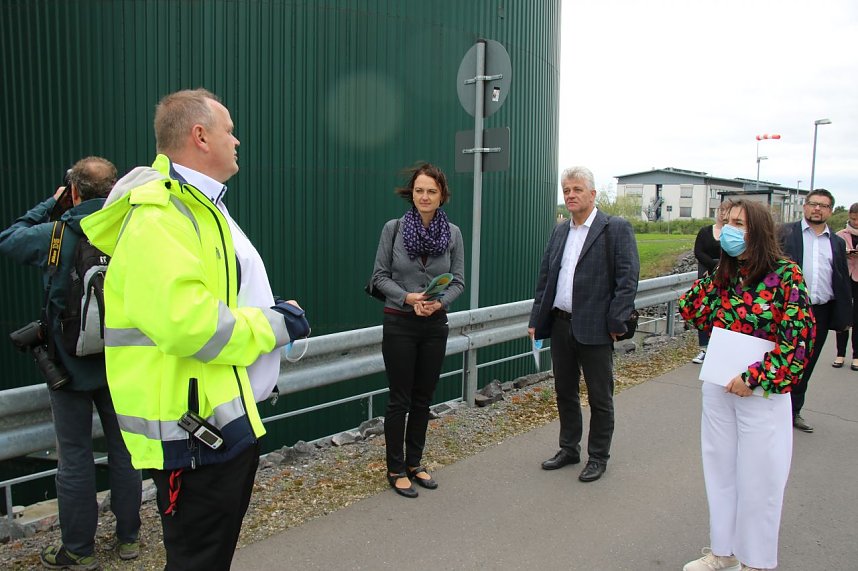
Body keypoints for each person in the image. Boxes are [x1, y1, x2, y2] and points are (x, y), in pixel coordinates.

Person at [80, 89, 305, 570]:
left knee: (209, 558)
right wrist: (278, 324)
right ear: (200, 136)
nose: (238, 140)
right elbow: (191, 327)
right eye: (229, 129)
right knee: (197, 561)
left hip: (219, 422)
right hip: (194, 436)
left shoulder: (201, 206)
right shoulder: (160, 215)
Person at [0, 157, 142, 570]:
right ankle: (129, 539)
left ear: (74, 191)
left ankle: (78, 550)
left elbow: (9, 238)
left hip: (67, 368)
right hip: (121, 360)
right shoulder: (129, 230)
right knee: (125, 450)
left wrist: (50, 204)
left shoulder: (56, 234)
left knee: (76, 456)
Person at [679, 199, 815, 571]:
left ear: (758, 230)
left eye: (739, 223)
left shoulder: (786, 275)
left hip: (761, 391)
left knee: (760, 480)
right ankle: (723, 551)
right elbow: (690, 310)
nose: (730, 229)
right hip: (719, 385)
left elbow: (798, 341)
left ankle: (756, 561)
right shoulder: (726, 274)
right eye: (726, 222)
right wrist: (717, 272)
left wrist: (754, 378)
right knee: (720, 470)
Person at [528, 166, 639, 483]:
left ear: (592, 194)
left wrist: (617, 320)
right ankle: (569, 448)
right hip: (562, 324)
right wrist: (538, 319)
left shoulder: (614, 228)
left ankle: (598, 456)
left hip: (596, 326)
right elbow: (546, 278)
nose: (571, 195)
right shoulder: (560, 230)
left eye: (577, 189)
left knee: (600, 396)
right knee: (564, 390)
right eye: (566, 190)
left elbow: (627, 279)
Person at [370, 163, 465, 498]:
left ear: (442, 197)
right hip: (400, 322)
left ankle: (415, 463)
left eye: (432, 191)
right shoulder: (393, 229)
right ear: (411, 193)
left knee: (424, 399)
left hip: (434, 324)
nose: (424, 196)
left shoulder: (452, 234)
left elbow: (458, 280)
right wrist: (408, 297)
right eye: (419, 190)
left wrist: (439, 303)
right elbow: (379, 276)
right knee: (400, 400)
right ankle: (395, 468)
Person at [778, 188, 850, 433]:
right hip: (786, 311)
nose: (817, 208)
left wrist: (844, 316)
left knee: (805, 364)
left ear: (831, 211)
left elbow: (841, 280)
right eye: (813, 204)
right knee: (780, 359)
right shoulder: (784, 233)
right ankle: (772, 410)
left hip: (819, 312)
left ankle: (793, 411)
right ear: (805, 206)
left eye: (824, 205)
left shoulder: (837, 242)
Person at [690, 200, 732, 364]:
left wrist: (722, 267)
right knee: (704, 309)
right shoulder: (705, 231)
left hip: (727, 275)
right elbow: (698, 251)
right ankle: (704, 348)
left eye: (727, 211)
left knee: (724, 311)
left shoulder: (734, 234)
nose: (723, 214)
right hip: (707, 274)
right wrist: (715, 266)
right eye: (721, 210)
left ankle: (720, 349)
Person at [832, 202, 858, 371]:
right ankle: (840, 354)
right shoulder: (840, 235)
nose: (856, 222)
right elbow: (833, 255)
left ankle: (856, 356)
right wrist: (845, 254)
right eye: (854, 219)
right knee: (843, 317)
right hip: (844, 278)